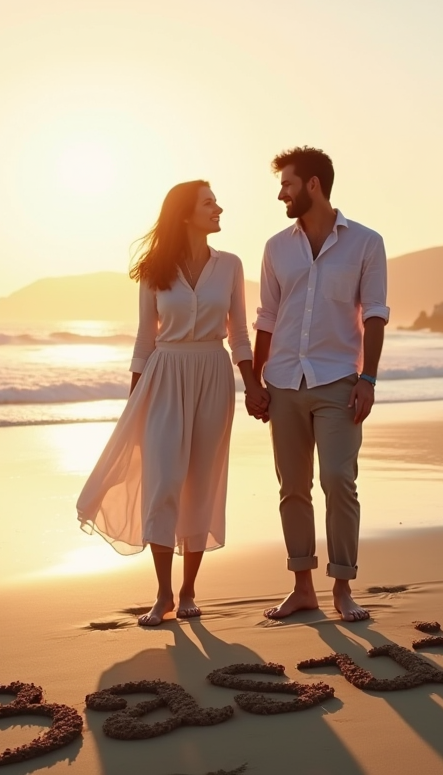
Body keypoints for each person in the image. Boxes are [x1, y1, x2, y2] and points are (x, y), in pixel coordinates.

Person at [77, 180, 258, 626]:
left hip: (213, 376)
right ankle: (162, 595)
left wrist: (252, 383)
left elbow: (238, 333)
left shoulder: (230, 265)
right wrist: (135, 398)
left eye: (216, 201)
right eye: (209, 203)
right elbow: (145, 338)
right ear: (184, 214)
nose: (218, 208)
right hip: (164, 375)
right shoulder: (154, 268)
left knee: (201, 481)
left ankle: (189, 590)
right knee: (162, 484)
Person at [245, 146, 389, 623]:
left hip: (338, 380)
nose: (280, 193)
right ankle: (302, 587)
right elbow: (266, 317)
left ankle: (343, 586)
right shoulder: (275, 247)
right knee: (293, 488)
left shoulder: (367, 243)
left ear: (312, 185)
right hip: (284, 380)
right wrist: (256, 380)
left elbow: (373, 315)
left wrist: (368, 377)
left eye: (287, 183)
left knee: (338, 480)